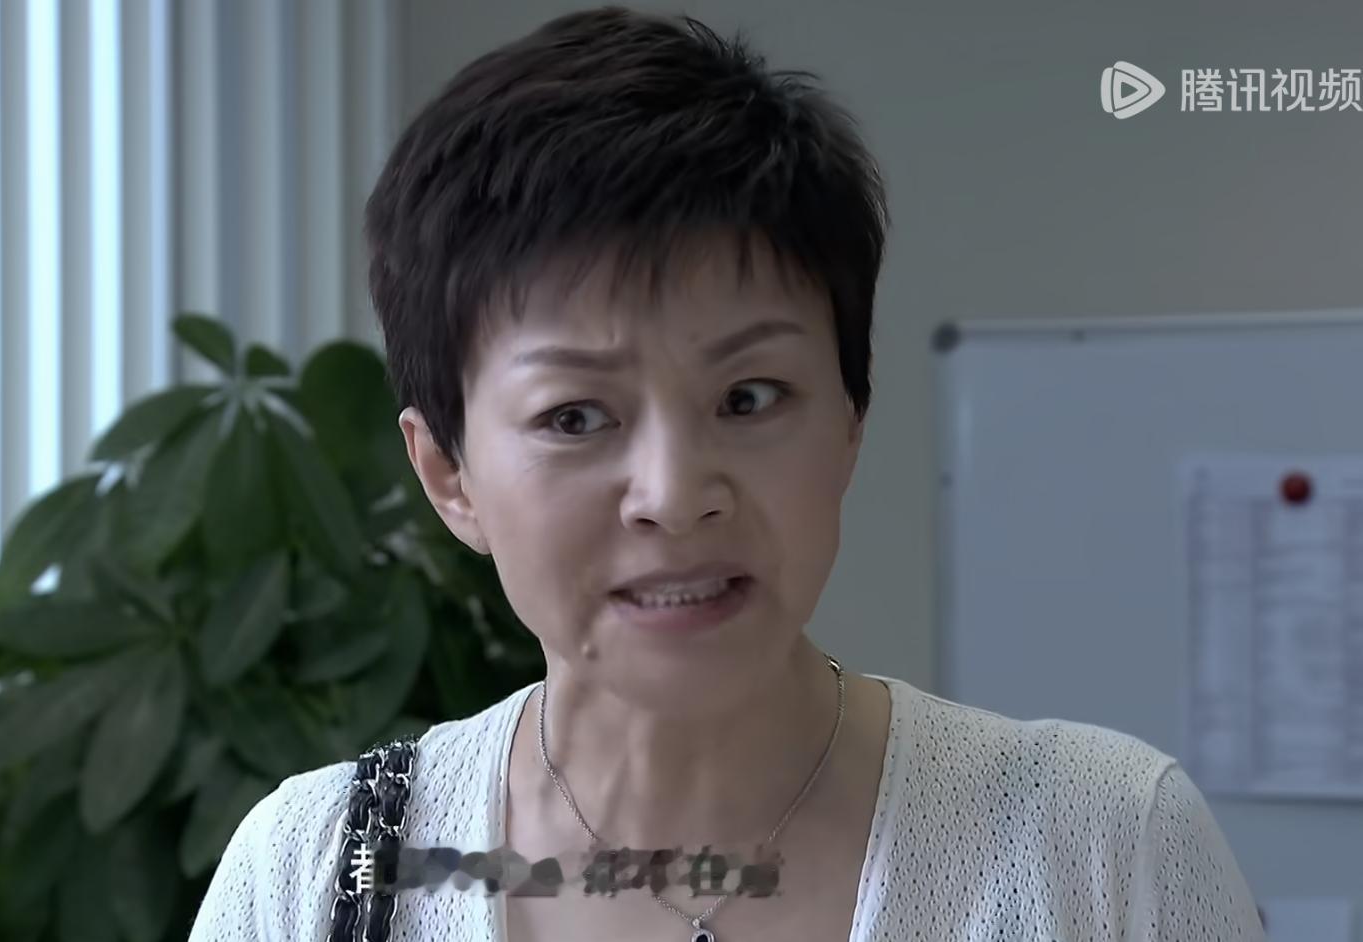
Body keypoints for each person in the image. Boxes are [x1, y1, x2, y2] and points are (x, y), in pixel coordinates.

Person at [189, 7, 1265, 941]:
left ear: (851, 419)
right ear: (449, 474)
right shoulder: (318, 873)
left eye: (749, 398)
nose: (675, 493)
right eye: (575, 417)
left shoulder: (1102, 848)